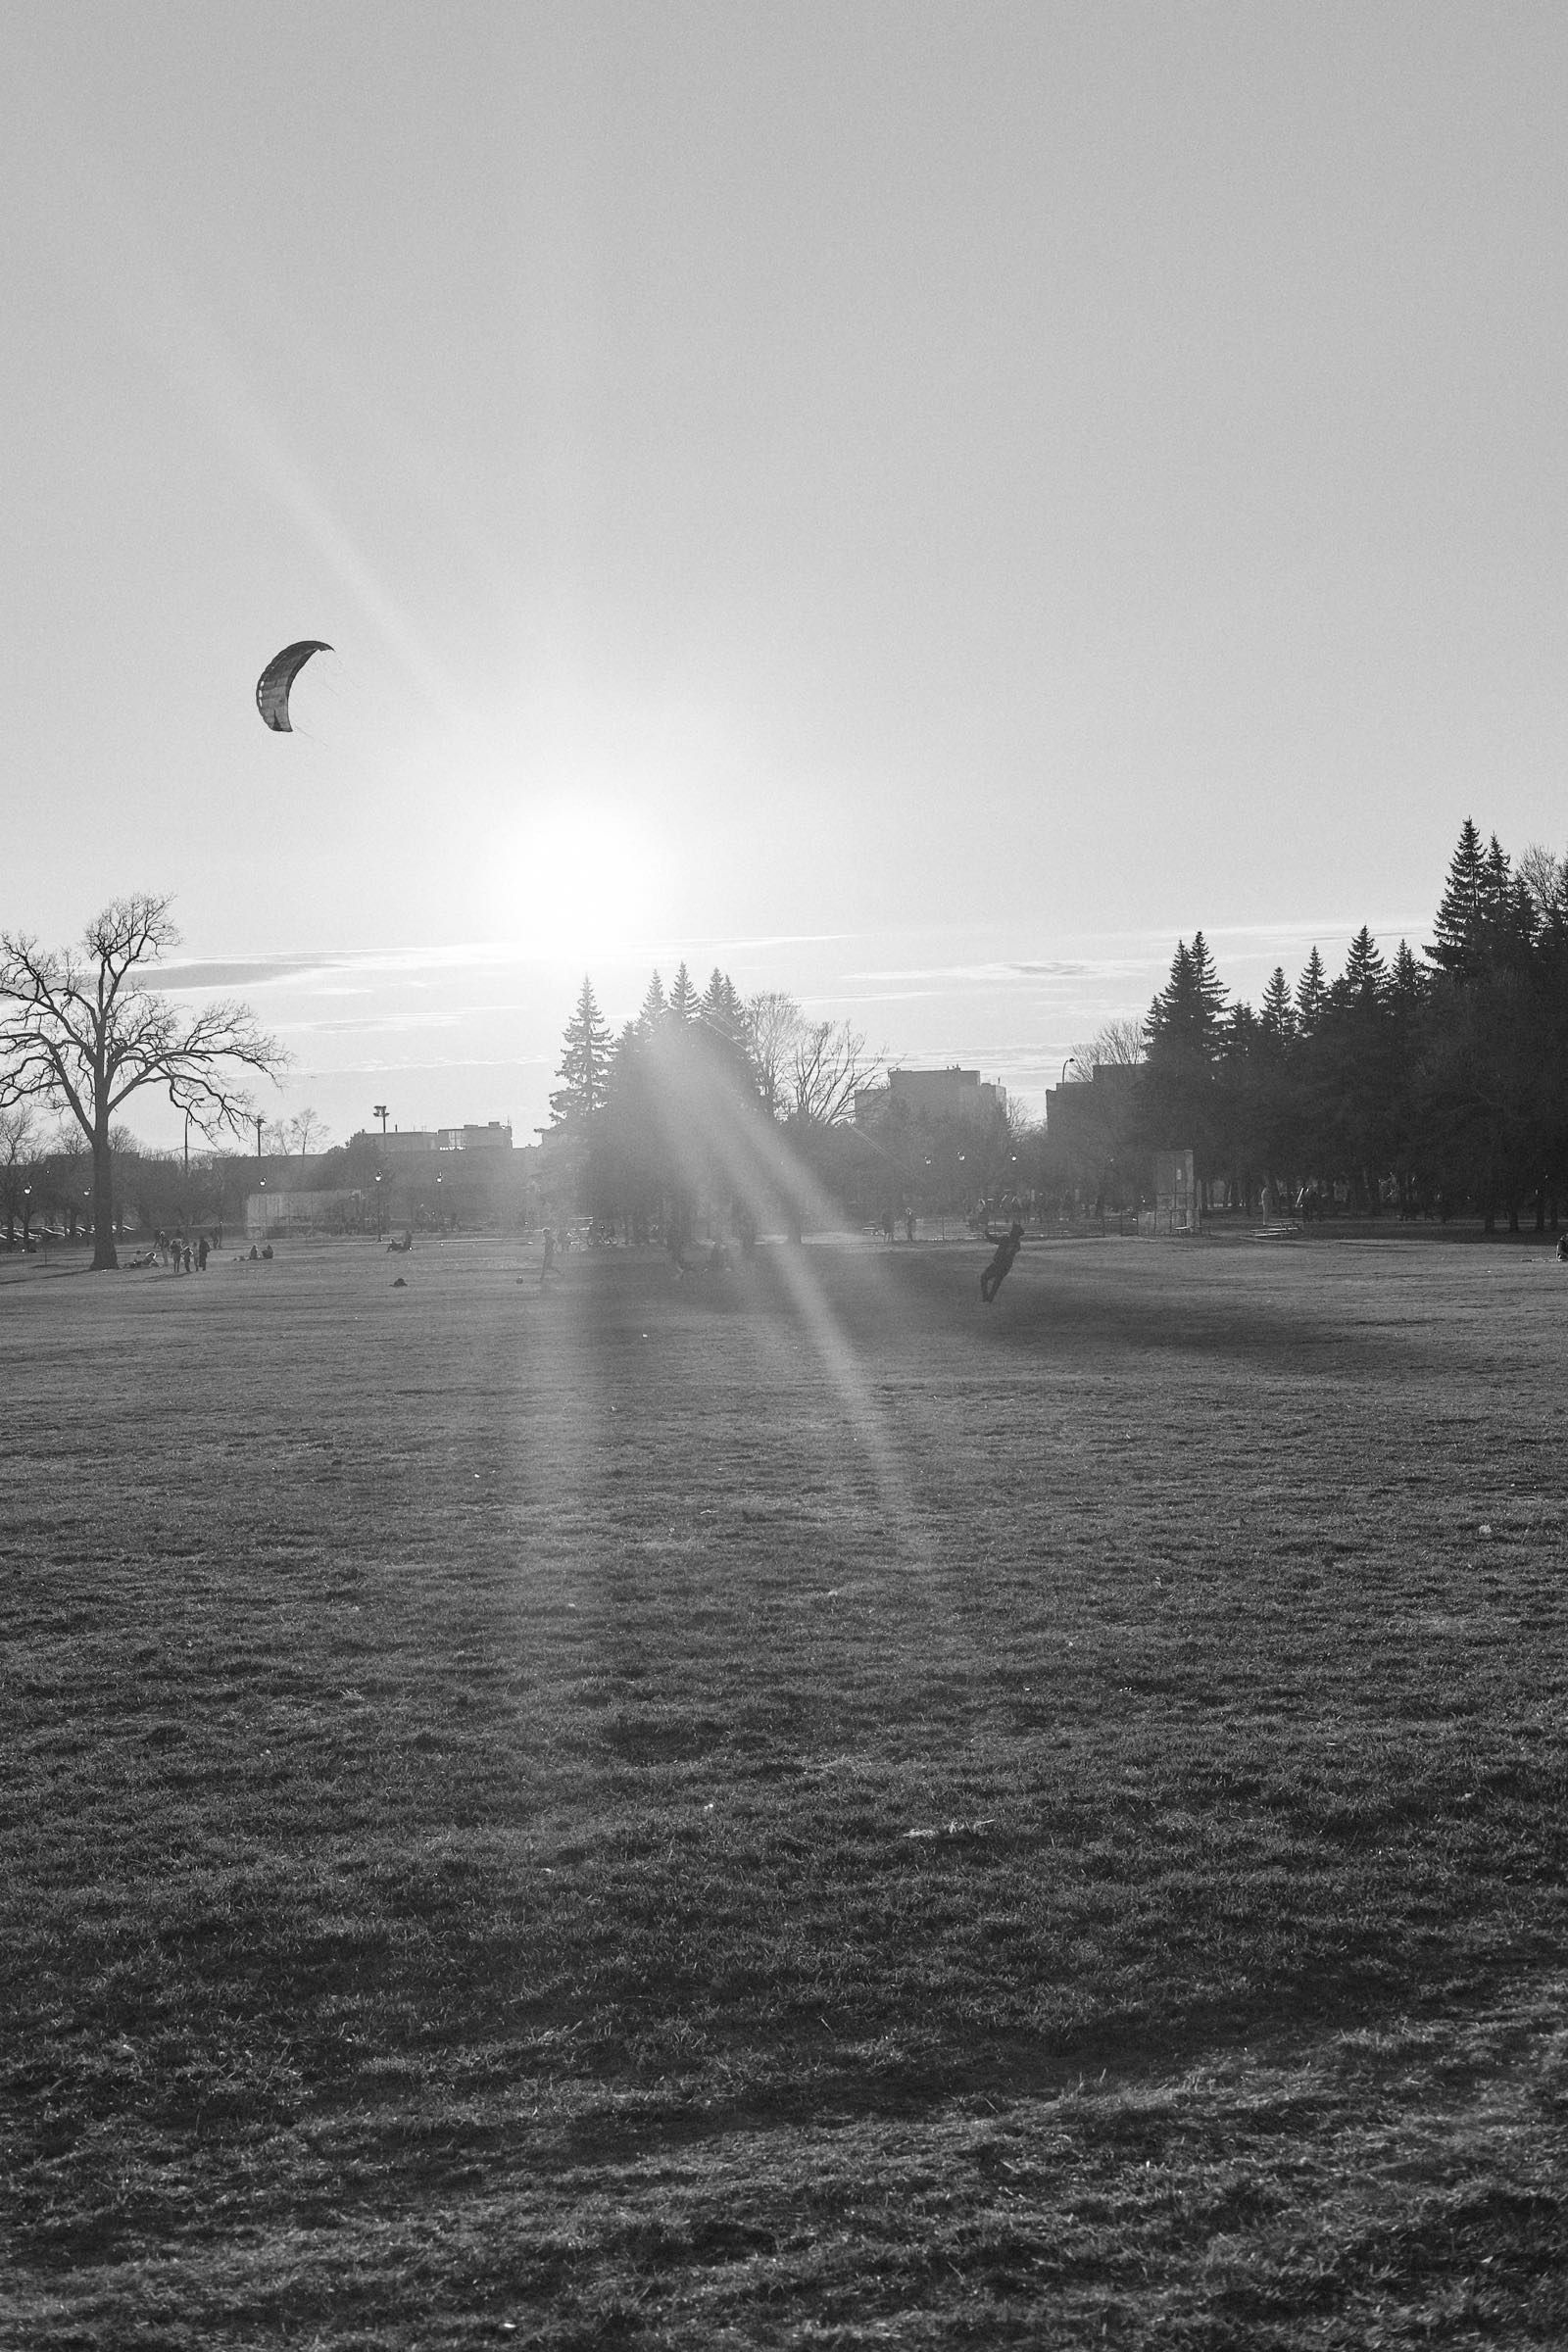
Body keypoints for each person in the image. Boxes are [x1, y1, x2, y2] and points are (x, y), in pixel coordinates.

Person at [980, 1220, 1025, 1303]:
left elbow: (992, 1239)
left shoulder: (1005, 1239)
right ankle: (989, 1299)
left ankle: (986, 1298)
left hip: (998, 1264)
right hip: (1006, 1266)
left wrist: (985, 1232)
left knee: (984, 1278)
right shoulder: (1017, 1245)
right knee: (996, 1282)